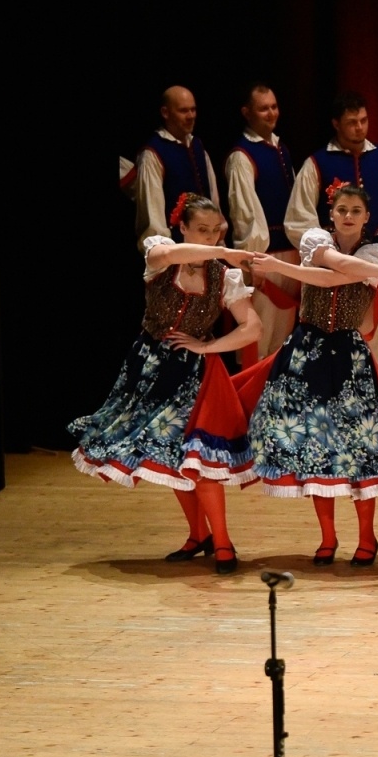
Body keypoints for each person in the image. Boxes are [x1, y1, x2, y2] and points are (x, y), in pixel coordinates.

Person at [70, 193, 261, 575]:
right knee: (171, 457)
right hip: (151, 368)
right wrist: (222, 250)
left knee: (199, 461)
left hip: (197, 377)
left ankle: (222, 542)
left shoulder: (225, 276)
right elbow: (173, 256)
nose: (208, 238)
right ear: (183, 229)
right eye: (201, 230)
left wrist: (209, 346)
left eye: (214, 231)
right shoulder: (160, 253)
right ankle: (198, 535)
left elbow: (251, 327)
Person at [240, 184, 378, 567]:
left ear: (367, 217)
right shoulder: (315, 239)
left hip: (350, 355)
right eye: (342, 209)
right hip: (308, 350)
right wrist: (291, 268)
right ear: (331, 214)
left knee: (360, 448)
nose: (349, 215)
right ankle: (328, 538)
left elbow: (336, 276)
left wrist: (280, 267)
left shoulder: (376, 251)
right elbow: (326, 270)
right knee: (314, 447)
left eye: (356, 210)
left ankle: (367, 538)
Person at [284, 91, 378, 363]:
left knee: (375, 337)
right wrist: (325, 254)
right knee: (328, 334)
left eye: (363, 120)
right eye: (352, 122)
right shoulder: (316, 163)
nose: (360, 127)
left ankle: (369, 390)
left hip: (376, 261)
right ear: (336, 123)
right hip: (330, 266)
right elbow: (298, 218)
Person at [225, 83, 301, 367]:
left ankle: (273, 400)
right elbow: (244, 214)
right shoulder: (242, 156)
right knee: (259, 335)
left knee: (282, 337)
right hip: (263, 256)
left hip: (288, 254)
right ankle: (252, 401)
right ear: (247, 113)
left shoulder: (282, 150)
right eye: (263, 108)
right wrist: (251, 260)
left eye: (274, 106)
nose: (271, 113)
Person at [134, 86, 222, 251]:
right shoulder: (153, 154)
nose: (191, 116)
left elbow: (214, 199)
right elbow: (153, 219)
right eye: (183, 111)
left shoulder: (198, 147)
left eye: (193, 110)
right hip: (177, 253)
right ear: (166, 113)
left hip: (208, 250)